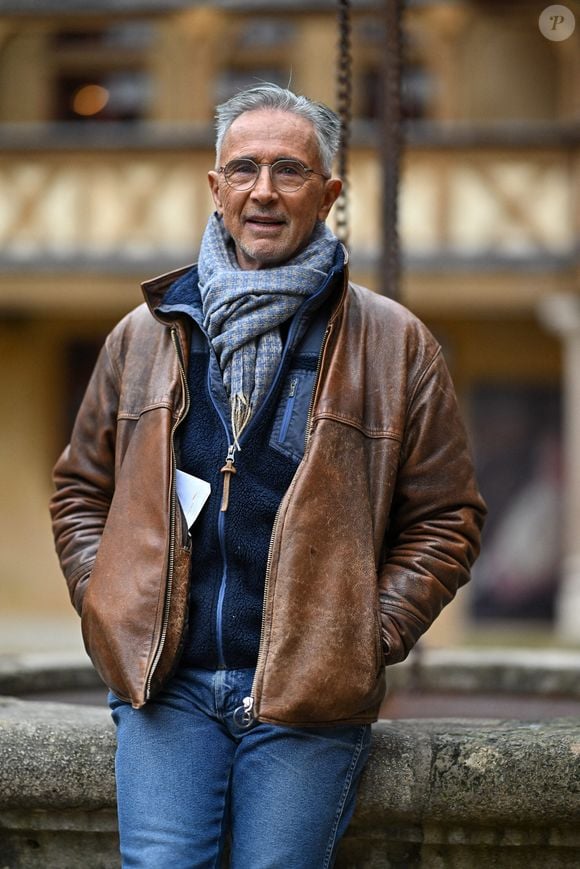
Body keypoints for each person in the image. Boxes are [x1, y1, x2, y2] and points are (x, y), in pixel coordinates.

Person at [50, 84, 486, 868]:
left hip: (310, 695)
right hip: (169, 689)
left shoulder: (394, 344)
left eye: (289, 171)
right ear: (215, 188)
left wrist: (363, 634)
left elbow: (447, 517)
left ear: (328, 193)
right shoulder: (143, 334)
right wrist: (107, 597)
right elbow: (82, 490)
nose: (263, 190)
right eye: (243, 169)